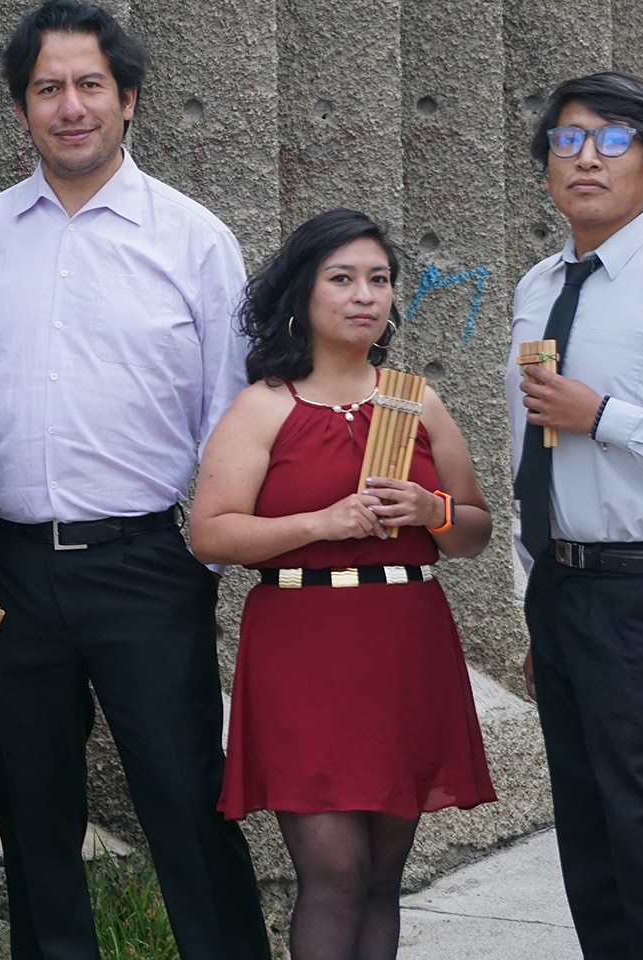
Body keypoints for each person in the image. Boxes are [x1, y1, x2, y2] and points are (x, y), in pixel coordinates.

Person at [0, 4, 270, 957]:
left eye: (88, 86)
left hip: (146, 562)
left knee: (187, 794)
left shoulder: (193, 239)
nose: (69, 107)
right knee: (32, 812)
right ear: (20, 108)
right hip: (9, 570)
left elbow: (230, 412)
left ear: (127, 100)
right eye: (47, 89)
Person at [188, 208, 497, 959]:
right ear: (302, 295)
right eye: (343, 279)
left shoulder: (414, 400)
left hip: (404, 642)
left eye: (380, 280)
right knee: (335, 871)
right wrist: (321, 523)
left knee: (383, 876)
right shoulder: (264, 405)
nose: (365, 295)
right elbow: (210, 533)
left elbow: (474, 532)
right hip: (303, 648)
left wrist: (433, 508)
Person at [507, 71, 643, 960]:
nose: (586, 157)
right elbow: (527, 462)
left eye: (614, 140)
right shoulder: (538, 285)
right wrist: (531, 596)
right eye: (567, 139)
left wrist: (606, 418)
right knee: (583, 829)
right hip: (563, 588)